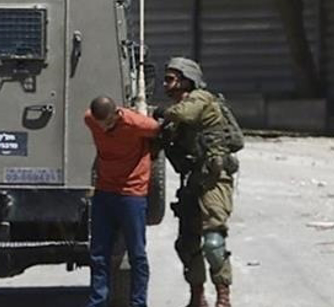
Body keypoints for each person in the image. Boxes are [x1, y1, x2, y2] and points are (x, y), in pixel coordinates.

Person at [155, 57, 237, 307]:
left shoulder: (200, 99)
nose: (165, 84)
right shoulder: (175, 117)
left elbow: (186, 114)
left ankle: (223, 298)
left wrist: (157, 112)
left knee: (213, 242)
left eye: (170, 79)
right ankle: (197, 296)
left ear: (185, 80)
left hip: (214, 179)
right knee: (187, 243)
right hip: (191, 180)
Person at [84, 95, 161, 307]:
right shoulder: (90, 119)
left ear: (116, 114)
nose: (104, 128)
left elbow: (158, 131)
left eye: (108, 123)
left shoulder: (138, 124)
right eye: (101, 125)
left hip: (132, 194)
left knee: (137, 254)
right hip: (104, 192)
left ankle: (138, 303)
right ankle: (98, 301)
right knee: (98, 253)